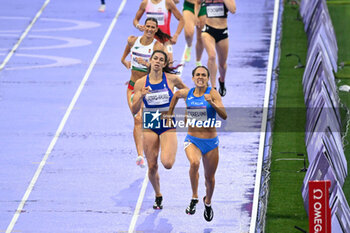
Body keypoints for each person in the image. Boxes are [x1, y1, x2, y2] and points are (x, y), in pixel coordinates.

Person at [167, 66, 227, 221]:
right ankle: (194, 197)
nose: (200, 77)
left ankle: (207, 202)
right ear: (193, 78)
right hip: (192, 140)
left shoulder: (212, 93)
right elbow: (176, 95)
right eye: (198, 75)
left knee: (209, 178)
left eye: (204, 75)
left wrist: (212, 103)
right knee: (194, 163)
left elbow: (224, 115)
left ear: (207, 78)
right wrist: (169, 113)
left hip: (211, 143)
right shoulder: (188, 93)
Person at [131, 50, 187, 209]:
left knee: (167, 163)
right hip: (149, 124)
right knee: (152, 166)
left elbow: (189, 93)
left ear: (164, 64)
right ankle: (158, 195)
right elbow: (134, 110)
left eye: (161, 59)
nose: (157, 61)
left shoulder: (172, 79)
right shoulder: (141, 83)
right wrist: (141, 95)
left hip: (167, 124)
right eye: (155, 58)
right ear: (150, 61)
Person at [121, 18, 168, 168]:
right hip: (133, 87)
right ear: (143, 27)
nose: (149, 29)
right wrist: (125, 62)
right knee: (137, 120)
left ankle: (153, 152)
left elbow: (161, 68)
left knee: (151, 123)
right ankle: (140, 155)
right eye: (147, 26)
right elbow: (124, 57)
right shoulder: (132, 40)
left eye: (152, 27)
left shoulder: (157, 46)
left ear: (155, 30)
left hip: (149, 89)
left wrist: (147, 64)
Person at [201, 0, 236, 96]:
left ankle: (222, 80)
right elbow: (196, 3)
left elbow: (233, 10)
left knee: (222, 64)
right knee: (211, 56)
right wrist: (196, 15)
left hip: (222, 32)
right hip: (208, 30)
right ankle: (213, 87)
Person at [182, 0, 206, 66]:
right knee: (188, 34)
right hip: (189, 6)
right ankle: (189, 46)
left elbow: (199, 2)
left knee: (201, 37)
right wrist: (195, 16)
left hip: (203, 7)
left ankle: (198, 60)